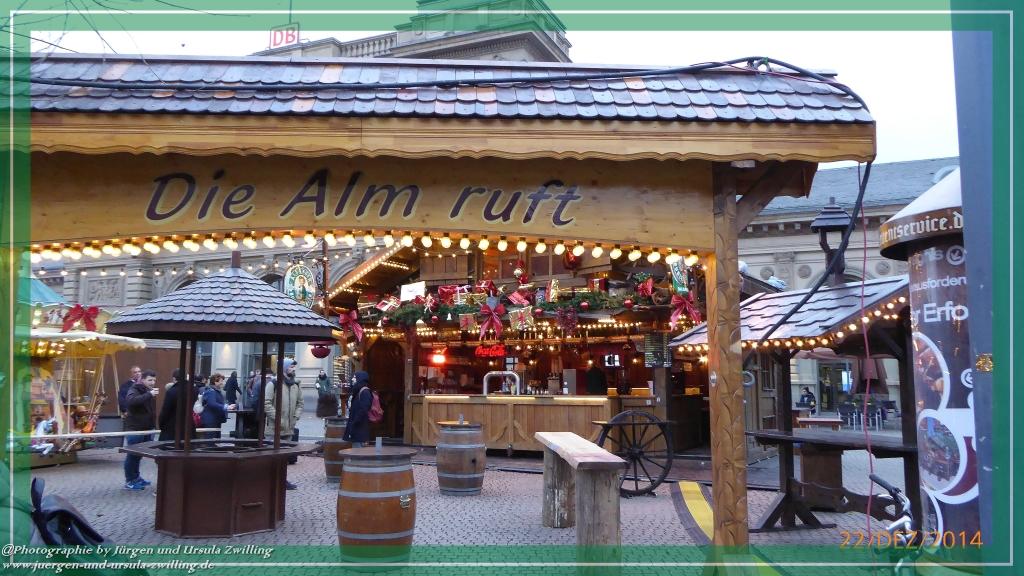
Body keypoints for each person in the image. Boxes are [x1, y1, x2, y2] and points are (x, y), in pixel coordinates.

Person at [264, 359, 303, 489]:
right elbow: (266, 403)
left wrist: (295, 417)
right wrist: (278, 419)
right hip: (274, 428)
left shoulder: (296, 385)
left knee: (284, 457)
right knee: (272, 456)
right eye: (291, 367)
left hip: (289, 428)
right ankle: (269, 481)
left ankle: (282, 480)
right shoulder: (273, 384)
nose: (293, 369)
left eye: (294, 367)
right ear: (285, 368)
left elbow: (300, 403)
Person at [123, 369, 158, 490]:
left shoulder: (148, 391)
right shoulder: (134, 389)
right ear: (143, 380)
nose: (152, 382)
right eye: (150, 380)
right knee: (132, 455)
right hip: (135, 428)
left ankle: (136, 477)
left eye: (154, 380)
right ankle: (130, 481)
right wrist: (149, 395)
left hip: (146, 428)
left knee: (138, 455)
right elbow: (131, 402)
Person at [157, 369, 191, 441]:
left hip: (171, 428)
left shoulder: (172, 392)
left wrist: (161, 424)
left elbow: (165, 411)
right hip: (188, 427)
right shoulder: (193, 390)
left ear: (174, 378)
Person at [199, 373, 234, 439]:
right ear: (215, 382)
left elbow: (217, 402)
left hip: (215, 420)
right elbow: (212, 403)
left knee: (215, 441)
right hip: (211, 420)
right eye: (221, 381)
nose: (222, 383)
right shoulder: (211, 391)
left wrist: (227, 405)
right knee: (210, 442)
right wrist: (226, 407)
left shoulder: (215, 391)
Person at [344, 371, 373, 448]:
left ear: (360, 379)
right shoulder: (356, 391)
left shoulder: (365, 392)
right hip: (357, 426)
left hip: (359, 427)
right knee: (356, 447)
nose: (352, 379)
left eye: (354, 377)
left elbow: (364, 409)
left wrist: (355, 421)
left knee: (358, 451)